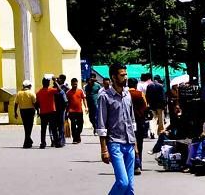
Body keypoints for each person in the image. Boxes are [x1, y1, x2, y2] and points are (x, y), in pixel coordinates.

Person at [93, 63, 141, 195]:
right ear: (113, 77)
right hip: (115, 144)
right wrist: (104, 150)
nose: (125, 77)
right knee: (123, 182)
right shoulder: (105, 97)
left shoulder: (127, 95)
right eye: (122, 75)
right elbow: (101, 125)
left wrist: (135, 145)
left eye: (126, 74)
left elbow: (132, 121)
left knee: (130, 186)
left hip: (129, 144)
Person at [12, 79, 38, 148]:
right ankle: (27, 141)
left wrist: (15, 112)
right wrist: (38, 110)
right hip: (30, 111)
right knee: (30, 126)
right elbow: (35, 103)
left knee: (26, 126)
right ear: (29, 86)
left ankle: (28, 141)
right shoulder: (31, 93)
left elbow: (16, 104)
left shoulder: (19, 93)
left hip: (22, 111)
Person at [37, 75, 60, 148]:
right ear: (48, 83)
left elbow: (37, 103)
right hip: (51, 111)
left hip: (43, 112)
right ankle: (56, 142)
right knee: (54, 128)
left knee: (43, 129)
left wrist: (38, 111)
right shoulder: (51, 90)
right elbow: (59, 90)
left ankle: (43, 143)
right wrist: (55, 81)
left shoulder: (38, 92)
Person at [142, 73, 167, 141]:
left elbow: (147, 96)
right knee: (160, 119)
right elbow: (163, 97)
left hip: (152, 105)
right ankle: (160, 132)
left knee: (153, 119)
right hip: (160, 105)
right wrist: (164, 105)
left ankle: (152, 132)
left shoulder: (149, 86)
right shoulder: (160, 86)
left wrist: (148, 104)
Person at [67, 77, 86, 144]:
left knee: (80, 125)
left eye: (76, 84)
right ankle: (75, 139)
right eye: (74, 84)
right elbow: (67, 102)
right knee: (73, 125)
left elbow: (84, 99)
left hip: (79, 111)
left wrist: (86, 107)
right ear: (71, 84)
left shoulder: (80, 91)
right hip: (71, 111)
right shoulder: (68, 93)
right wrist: (67, 111)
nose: (75, 85)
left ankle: (77, 135)